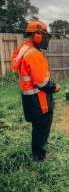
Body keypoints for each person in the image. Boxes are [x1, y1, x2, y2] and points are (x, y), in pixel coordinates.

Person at [11, 20, 60, 161]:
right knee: (42, 128)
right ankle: (39, 157)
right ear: (37, 35)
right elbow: (42, 83)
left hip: (30, 99)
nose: (45, 39)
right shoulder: (33, 54)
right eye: (44, 35)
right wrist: (55, 87)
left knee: (38, 128)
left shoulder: (23, 49)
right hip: (40, 100)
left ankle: (37, 151)